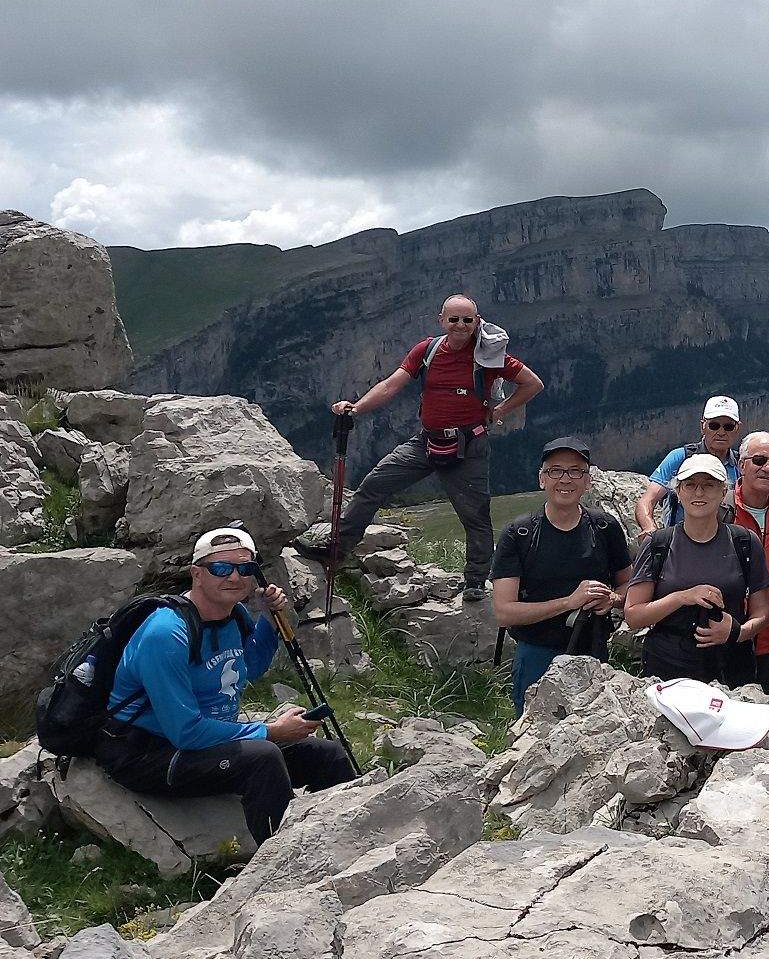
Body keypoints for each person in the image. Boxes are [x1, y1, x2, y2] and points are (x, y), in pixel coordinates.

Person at [96, 527, 354, 845]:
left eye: (245, 568)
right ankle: (287, 861)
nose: (234, 577)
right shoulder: (166, 633)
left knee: (328, 755)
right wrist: (272, 731)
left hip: (206, 741)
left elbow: (248, 668)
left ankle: (347, 842)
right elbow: (185, 732)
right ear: (196, 574)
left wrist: (269, 620)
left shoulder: (233, 616)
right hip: (146, 752)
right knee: (263, 758)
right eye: (220, 568)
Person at [329, 293, 544, 599]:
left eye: (467, 320)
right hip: (427, 441)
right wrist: (356, 408)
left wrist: (500, 410)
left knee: (475, 515)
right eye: (454, 319)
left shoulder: (488, 356)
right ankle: (338, 549)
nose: (460, 325)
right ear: (441, 321)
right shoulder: (426, 350)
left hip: (470, 444)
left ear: (477, 322)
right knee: (375, 484)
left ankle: (475, 581)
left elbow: (533, 383)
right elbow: (390, 385)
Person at [489, 436, 634, 713]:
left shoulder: (605, 528)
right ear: (542, 479)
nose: (565, 479)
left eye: (576, 471)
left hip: (593, 649)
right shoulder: (519, 534)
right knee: (533, 729)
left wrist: (613, 599)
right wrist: (569, 602)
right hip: (536, 651)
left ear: (588, 481)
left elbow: (629, 584)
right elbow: (504, 612)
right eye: (556, 471)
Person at [623, 454, 769, 683]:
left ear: (723, 492)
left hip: (731, 668)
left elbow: (762, 612)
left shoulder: (745, 542)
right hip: (668, 670)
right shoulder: (658, 544)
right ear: (678, 492)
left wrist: (736, 632)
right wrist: (682, 597)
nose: (699, 493)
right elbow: (633, 615)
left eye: (709, 485)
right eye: (690, 485)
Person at [727, 430, 769, 696]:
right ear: (741, 464)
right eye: (758, 460)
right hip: (725, 637)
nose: (767, 468)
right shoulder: (720, 511)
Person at [636, 395, 742, 533]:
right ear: (703, 426)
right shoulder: (680, 458)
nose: (721, 432)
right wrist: (650, 529)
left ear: (737, 429)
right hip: (679, 540)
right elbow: (647, 500)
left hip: (725, 541)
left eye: (728, 426)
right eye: (714, 425)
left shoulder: (742, 465)